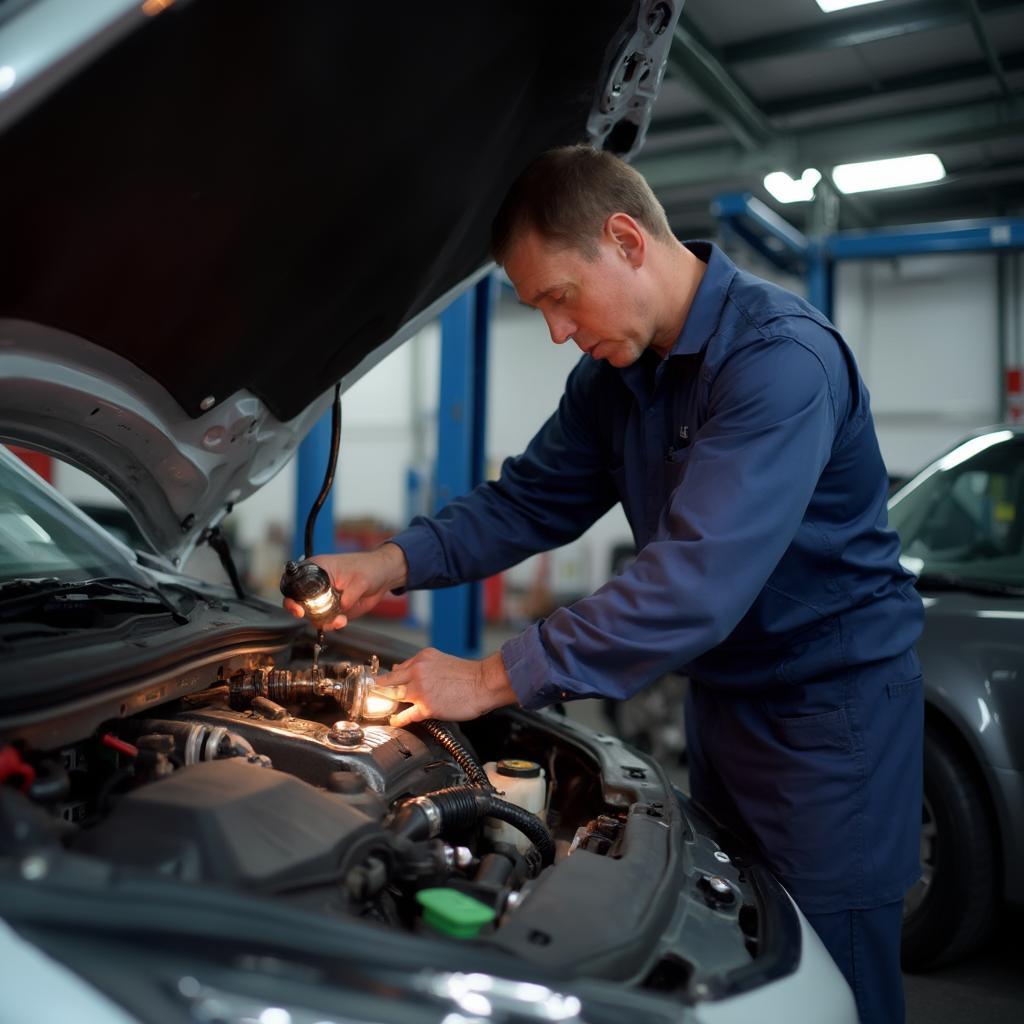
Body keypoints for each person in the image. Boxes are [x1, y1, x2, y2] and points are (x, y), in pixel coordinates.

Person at [285, 146, 923, 1024]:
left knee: (829, 980)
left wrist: (486, 678)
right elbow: (528, 501)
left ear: (625, 240)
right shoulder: (616, 379)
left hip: (829, 724)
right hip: (728, 704)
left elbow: (692, 584)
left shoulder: (779, 362)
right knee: (740, 964)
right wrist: (388, 564)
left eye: (558, 297)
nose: (555, 330)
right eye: (536, 307)